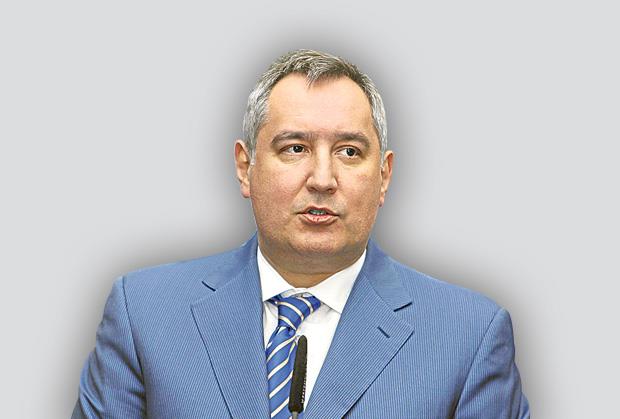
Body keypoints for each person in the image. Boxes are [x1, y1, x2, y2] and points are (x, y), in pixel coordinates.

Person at [72, 49, 530, 418]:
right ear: (245, 167)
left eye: (349, 152)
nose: (323, 179)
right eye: (295, 148)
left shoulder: (468, 336)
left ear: (384, 176)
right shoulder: (145, 314)